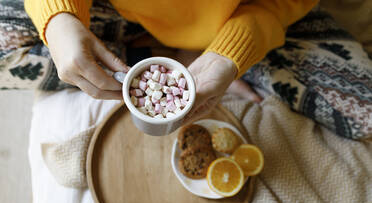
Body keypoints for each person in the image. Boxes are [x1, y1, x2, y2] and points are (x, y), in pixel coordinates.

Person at [23, 0, 318, 124]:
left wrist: (233, 50)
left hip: (237, 20)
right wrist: (59, 19)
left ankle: (173, 56)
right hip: (117, 11)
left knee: (361, 112)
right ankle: (159, 55)